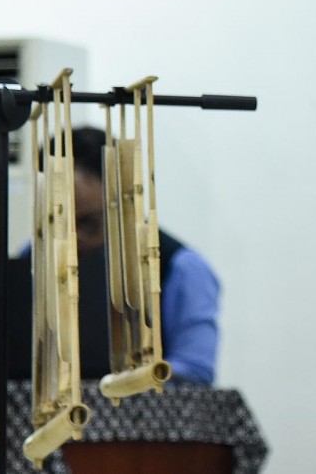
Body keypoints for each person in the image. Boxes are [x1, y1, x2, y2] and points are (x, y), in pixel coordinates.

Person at [69, 125, 221, 384]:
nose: (76, 238)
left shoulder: (180, 267)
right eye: (61, 225)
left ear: (123, 202)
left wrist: (128, 382)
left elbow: (195, 371)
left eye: (89, 223)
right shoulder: (35, 259)